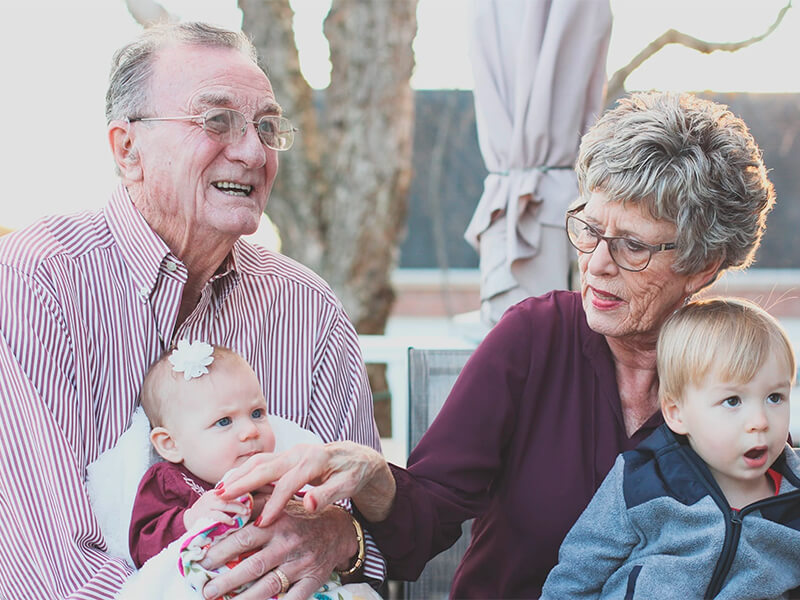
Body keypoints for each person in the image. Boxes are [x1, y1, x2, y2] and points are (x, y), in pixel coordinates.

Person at [213, 91, 778, 598]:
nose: (597, 265)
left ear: (702, 266)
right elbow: (423, 524)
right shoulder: (535, 338)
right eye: (588, 228)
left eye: (632, 246)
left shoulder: (744, 378)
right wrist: (374, 473)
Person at [0, 22, 384, 600]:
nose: (254, 151)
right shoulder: (37, 280)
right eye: (216, 121)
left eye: (267, 128)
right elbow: (49, 571)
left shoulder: (308, 306)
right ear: (128, 150)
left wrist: (340, 535)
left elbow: (373, 542)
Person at [541, 298, 800, 599]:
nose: (760, 421)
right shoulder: (642, 481)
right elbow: (578, 572)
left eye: (775, 397)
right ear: (677, 413)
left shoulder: (793, 501)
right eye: (733, 401)